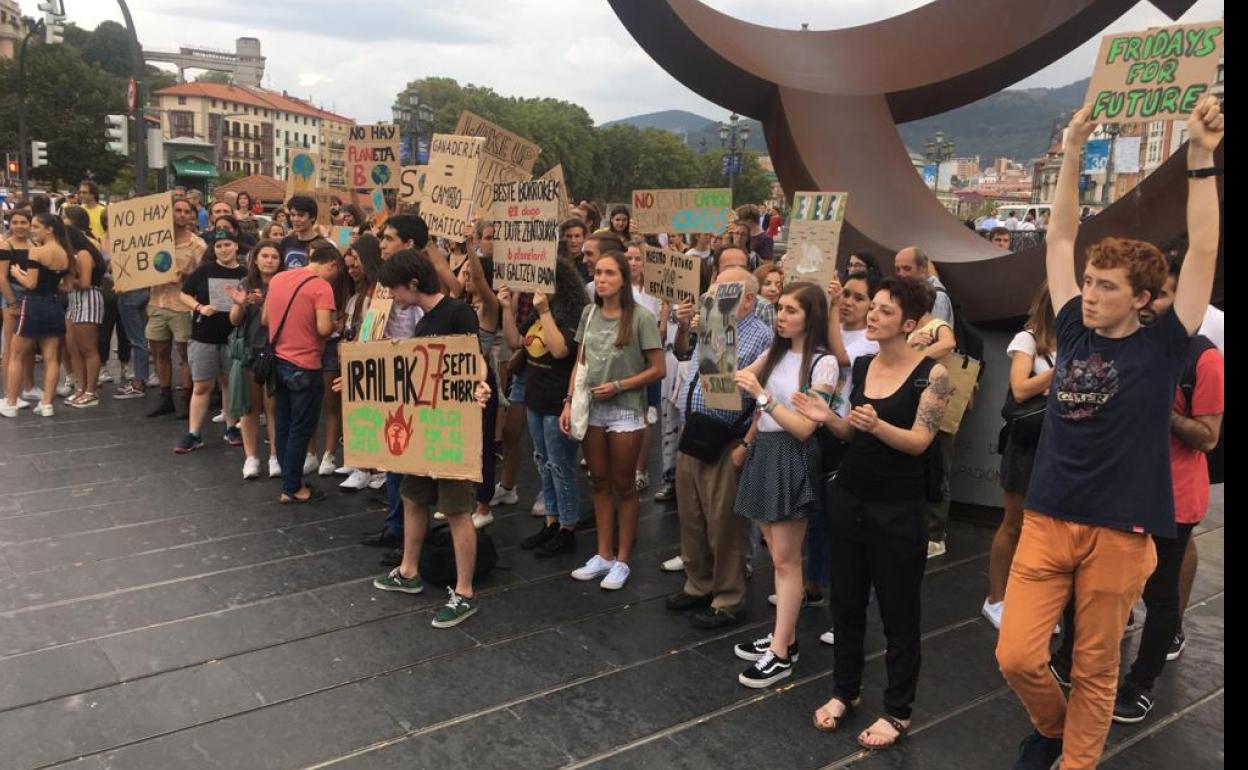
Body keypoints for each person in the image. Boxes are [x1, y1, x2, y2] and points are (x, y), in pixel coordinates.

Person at [996, 97, 1222, 770]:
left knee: (1096, 665)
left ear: (1142, 299)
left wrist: (1203, 157)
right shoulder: (1069, 328)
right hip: (1048, 516)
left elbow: (1205, 244)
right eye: (1088, 283)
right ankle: (1057, 729)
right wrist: (1071, 153)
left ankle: (1076, 762)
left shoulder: (1164, 346)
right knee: (1017, 654)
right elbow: (1060, 239)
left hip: (1122, 530)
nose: (1088, 293)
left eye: (1105, 286)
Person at [794, 276, 952, 749]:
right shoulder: (861, 365)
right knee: (847, 602)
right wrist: (829, 419)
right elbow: (849, 435)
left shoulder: (933, 375)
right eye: (874, 308)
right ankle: (845, 690)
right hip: (851, 497)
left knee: (900, 610)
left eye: (884, 310)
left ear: (908, 322)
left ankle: (898, 710)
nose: (873, 316)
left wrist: (879, 425)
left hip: (899, 508)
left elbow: (920, 443)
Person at [370, 247, 491, 629]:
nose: (392, 298)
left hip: (452, 430)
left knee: (456, 509)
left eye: (394, 289)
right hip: (424, 428)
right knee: (412, 497)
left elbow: (474, 358)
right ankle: (408, 571)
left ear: (413, 283)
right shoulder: (422, 325)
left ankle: (465, 591)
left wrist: (482, 384)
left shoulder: (457, 312)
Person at [730, 281, 836, 688]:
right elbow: (733, 373)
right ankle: (783, 638)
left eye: (791, 309)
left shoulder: (822, 363)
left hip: (792, 455)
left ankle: (781, 653)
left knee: (785, 559)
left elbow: (806, 428)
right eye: (780, 308)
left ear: (812, 315)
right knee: (775, 553)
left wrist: (762, 397)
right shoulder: (774, 353)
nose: (782, 316)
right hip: (766, 452)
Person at [665, 266, 772, 628]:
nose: (715, 293)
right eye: (715, 286)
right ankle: (698, 583)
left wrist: (746, 443)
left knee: (723, 523)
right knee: (691, 516)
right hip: (693, 431)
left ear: (748, 300)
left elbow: (763, 397)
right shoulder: (709, 322)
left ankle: (728, 597)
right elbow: (686, 359)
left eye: (726, 289)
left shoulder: (760, 337)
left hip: (726, 438)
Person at [560, 248, 665, 591]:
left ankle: (622, 559)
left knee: (624, 484)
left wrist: (620, 385)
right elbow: (580, 362)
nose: (601, 279)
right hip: (592, 408)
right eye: (598, 273)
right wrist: (568, 401)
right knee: (598, 482)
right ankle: (603, 554)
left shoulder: (640, 318)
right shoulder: (589, 313)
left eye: (609, 273)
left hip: (625, 410)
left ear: (624, 279)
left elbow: (657, 369)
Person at [500, 256, 589, 557]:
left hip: (556, 401)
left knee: (561, 465)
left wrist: (544, 310)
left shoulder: (570, 314)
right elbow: (515, 342)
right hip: (535, 398)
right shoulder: (539, 314)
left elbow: (560, 349)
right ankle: (551, 522)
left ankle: (567, 527)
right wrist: (506, 307)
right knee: (542, 460)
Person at [981, 282, 1055, 629]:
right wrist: (1062, 371)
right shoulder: (1028, 339)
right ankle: (996, 597)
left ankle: (1035, 602)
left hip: (1060, 446)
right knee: (1014, 524)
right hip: (1027, 445)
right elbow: (1020, 388)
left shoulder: (1084, 340)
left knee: (1047, 531)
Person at [262, 241, 339, 503]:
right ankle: (293, 486)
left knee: (283, 422)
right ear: (331, 264)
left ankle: (288, 478)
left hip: (278, 361)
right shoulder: (321, 287)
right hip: (305, 364)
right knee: (301, 427)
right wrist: (335, 323)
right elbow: (323, 329)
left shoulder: (279, 279)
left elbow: (265, 319)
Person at [893, 246, 957, 557]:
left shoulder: (934, 322)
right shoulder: (910, 327)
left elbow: (948, 342)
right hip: (911, 403)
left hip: (936, 402)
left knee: (937, 467)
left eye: (907, 269)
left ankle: (935, 533)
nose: (901, 275)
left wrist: (913, 354)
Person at [174, 229, 248, 453]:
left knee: (229, 383)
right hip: (204, 336)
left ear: (236, 246)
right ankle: (194, 433)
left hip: (233, 337)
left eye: (227, 245)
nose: (223, 250)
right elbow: (183, 294)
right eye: (218, 246)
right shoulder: (204, 270)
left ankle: (231, 427)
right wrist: (199, 307)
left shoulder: (245, 273)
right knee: (202, 385)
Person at [0, 213, 70, 417]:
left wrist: (17, 274)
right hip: (54, 304)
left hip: (34, 305)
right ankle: (47, 404)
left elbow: (31, 283)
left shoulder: (36, 252)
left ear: (49, 229)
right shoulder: (64, 253)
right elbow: (65, 285)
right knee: (51, 357)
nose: (32, 230)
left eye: (36, 227)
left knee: (15, 354)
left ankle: (11, 403)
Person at [227, 240, 284, 479]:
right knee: (249, 408)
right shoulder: (246, 283)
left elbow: (276, 320)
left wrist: (263, 305)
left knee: (274, 408)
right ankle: (251, 457)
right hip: (250, 351)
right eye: (265, 256)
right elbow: (234, 320)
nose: (269, 260)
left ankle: (275, 455)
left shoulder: (284, 284)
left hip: (276, 351)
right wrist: (241, 305)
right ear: (256, 259)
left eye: (274, 256)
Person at [147, 199, 204, 418]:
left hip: (181, 306)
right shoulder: (154, 242)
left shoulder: (197, 245)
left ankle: (187, 400)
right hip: (157, 302)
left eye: (185, 211)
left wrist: (186, 276)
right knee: (159, 352)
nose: (181, 215)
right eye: (177, 210)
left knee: (184, 354)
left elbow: (203, 277)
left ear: (191, 215)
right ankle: (165, 398)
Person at [337, 233, 384, 491]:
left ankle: (372, 467)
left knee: (371, 413)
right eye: (348, 265)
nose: (351, 269)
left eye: (356, 263)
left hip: (372, 358)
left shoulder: (379, 291)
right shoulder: (358, 293)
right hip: (359, 358)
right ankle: (363, 463)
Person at [60, 213, 107, 407]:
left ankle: (91, 390)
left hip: (88, 299)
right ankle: (80, 387)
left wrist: (65, 280)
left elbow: (86, 283)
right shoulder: (73, 255)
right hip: (74, 300)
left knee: (88, 348)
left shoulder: (84, 254)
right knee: (73, 348)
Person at [1, 210, 39, 406]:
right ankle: (9, 393)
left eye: (23, 222)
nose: (19, 226)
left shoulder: (34, 244)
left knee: (29, 346)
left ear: (30, 224)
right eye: (15, 222)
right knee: (10, 346)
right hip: (13, 298)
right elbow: (1, 277)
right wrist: (11, 303)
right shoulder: (6, 245)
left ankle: (29, 386)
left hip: (30, 297)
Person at [280, 195, 329, 269]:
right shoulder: (286, 242)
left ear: (312, 217)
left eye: (300, 215)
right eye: (292, 215)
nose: (295, 219)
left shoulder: (322, 245)